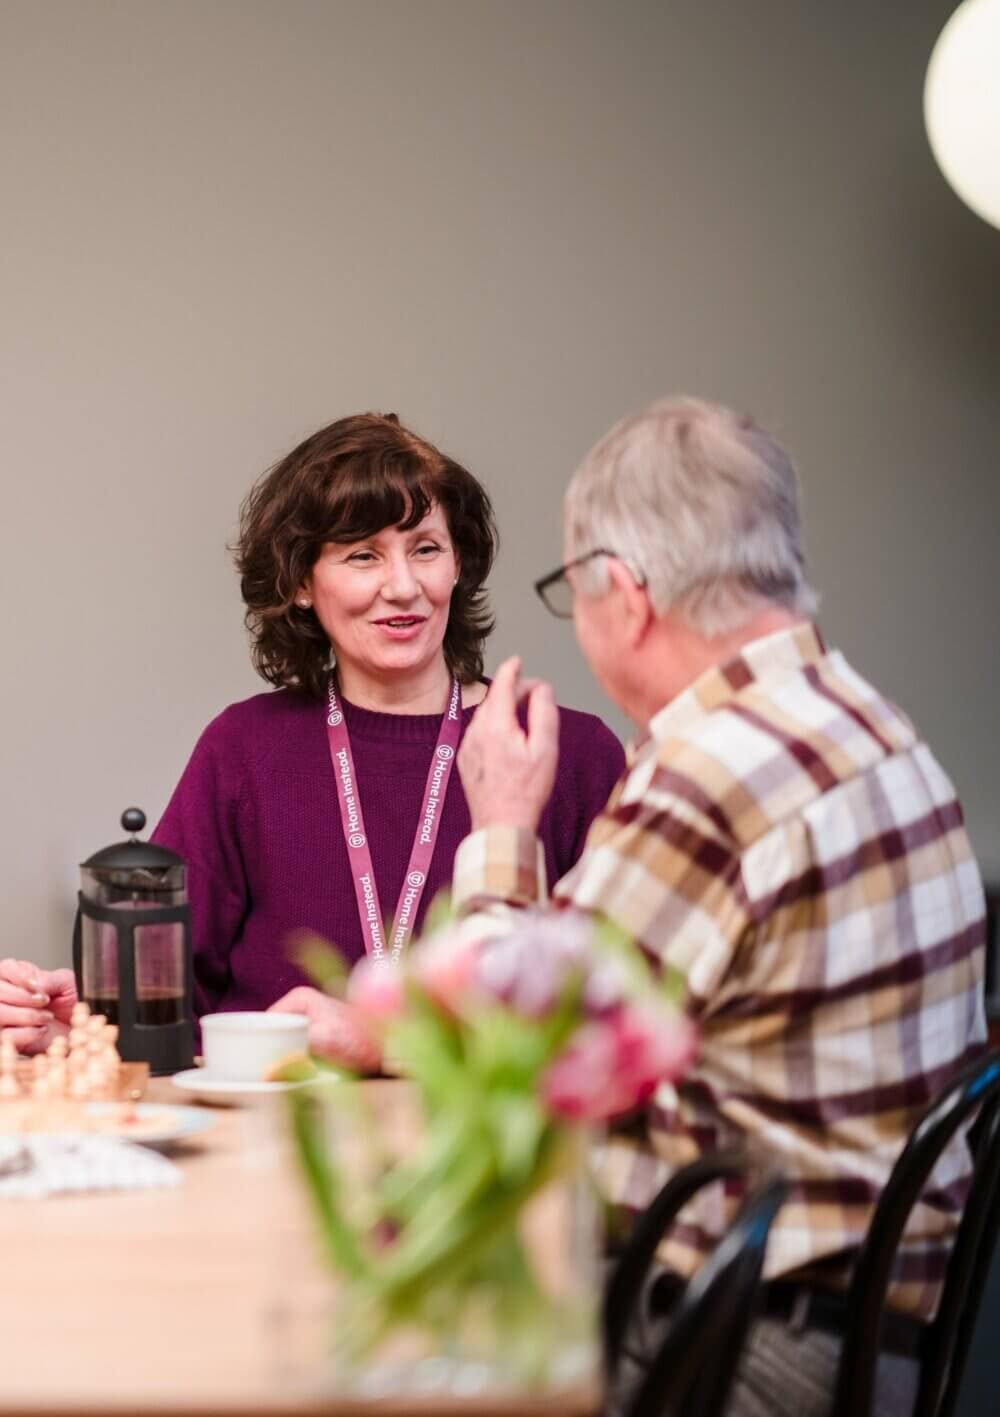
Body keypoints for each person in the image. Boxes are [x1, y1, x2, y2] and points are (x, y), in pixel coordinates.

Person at [448, 396, 986, 1417]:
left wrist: (502, 827)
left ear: (625, 591)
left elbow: (500, 1064)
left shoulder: (712, 774)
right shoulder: (869, 721)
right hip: (879, 1335)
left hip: (747, 1348)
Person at [0, 412, 624, 1060]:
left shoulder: (563, 753)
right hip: (261, 1148)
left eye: (426, 548)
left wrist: (376, 1038)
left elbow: (617, 1026)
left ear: (459, 563)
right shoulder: (244, 749)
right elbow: (174, 1008)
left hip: (493, 1156)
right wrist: (93, 1026)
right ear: (301, 583)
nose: (403, 585)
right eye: (363, 555)